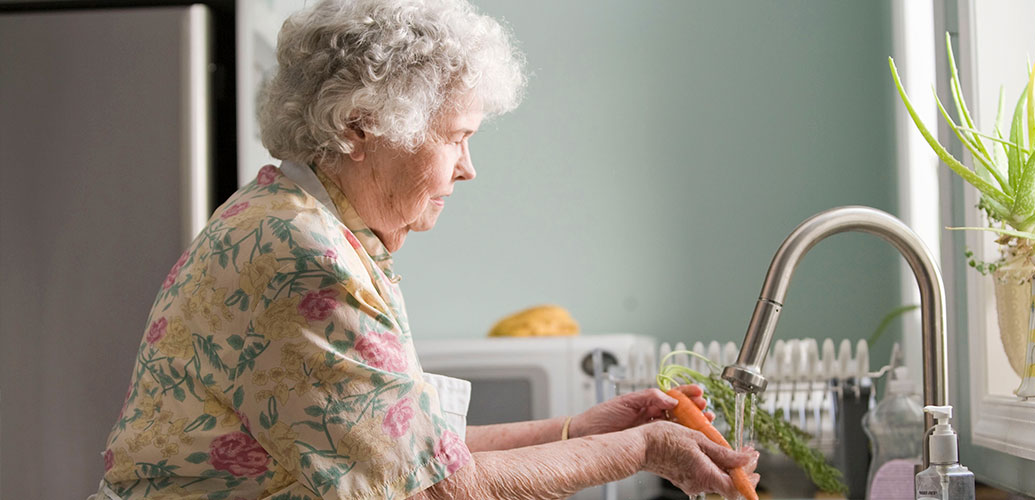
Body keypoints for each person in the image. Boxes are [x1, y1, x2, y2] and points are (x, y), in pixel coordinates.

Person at [92, 1, 759, 499]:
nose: (468, 168)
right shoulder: (304, 256)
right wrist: (642, 447)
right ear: (361, 126)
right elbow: (443, 490)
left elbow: (408, 452)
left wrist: (585, 429)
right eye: (455, 137)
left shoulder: (299, 224)